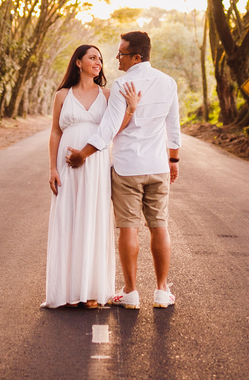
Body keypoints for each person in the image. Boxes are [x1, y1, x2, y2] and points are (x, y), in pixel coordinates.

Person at [67, 31, 181, 309]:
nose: (116, 57)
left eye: (121, 53)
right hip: (157, 166)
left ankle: (130, 293)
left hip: (128, 168)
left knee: (128, 228)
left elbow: (107, 129)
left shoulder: (122, 85)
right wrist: (173, 161)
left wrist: (83, 153)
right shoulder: (168, 83)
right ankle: (162, 292)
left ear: (137, 57)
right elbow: (174, 128)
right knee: (159, 226)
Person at [41, 44, 139, 309]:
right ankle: (68, 292)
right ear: (78, 63)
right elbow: (54, 133)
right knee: (68, 220)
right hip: (66, 167)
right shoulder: (62, 95)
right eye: (92, 58)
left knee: (93, 219)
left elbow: (114, 130)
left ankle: (92, 291)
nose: (98, 62)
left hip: (95, 163)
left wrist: (130, 109)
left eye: (100, 59)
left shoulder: (108, 94)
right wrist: (52, 168)